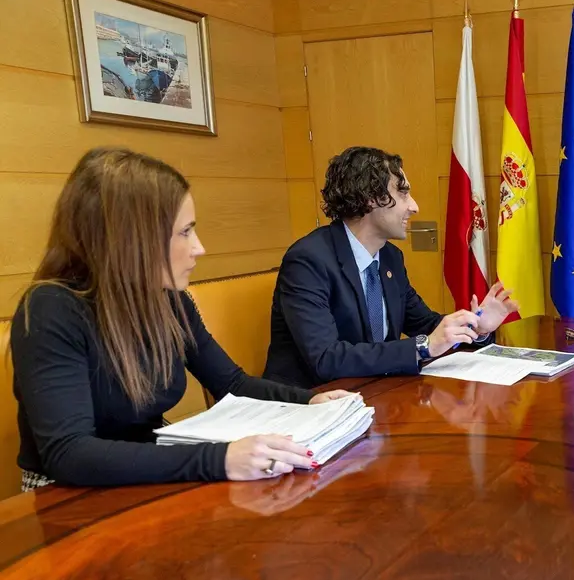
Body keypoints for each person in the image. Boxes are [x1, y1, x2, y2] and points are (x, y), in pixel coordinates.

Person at [10, 148, 352, 491]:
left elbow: (232, 384)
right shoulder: (51, 308)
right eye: (185, 232)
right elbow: (70, 453)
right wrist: (219, 459)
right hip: (65, 495)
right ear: (132, 239)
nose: (199, 248)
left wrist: (308, 401)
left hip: (148, 473)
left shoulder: (168, 301)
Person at [264, 146, 519, 388]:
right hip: (310, 403)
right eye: (403, 193)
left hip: (375, 392)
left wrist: (476, 327)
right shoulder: (308, 260)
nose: (414, 206)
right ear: (370, 198)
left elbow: (425, 324)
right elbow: (326, 358)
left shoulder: (390, 257)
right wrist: (423, 347)